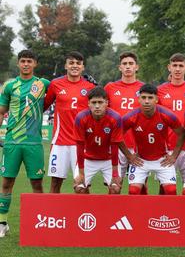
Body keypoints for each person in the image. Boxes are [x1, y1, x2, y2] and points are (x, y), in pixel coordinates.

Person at [0, 50, 50, 237]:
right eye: (23, 61)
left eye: (29, 61)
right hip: (12, 142)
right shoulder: (9, 86)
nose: (26, 64)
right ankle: (2, 223)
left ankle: (41, 222)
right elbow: (1, 111)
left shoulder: (43, 84)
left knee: (36, 183)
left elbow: (57, 97)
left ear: (35, 63)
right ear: (18, 63)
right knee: (6, 182)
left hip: (34, 143)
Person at [44, 51, 95, 193]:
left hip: (81, 143)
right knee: (55, 183)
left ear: (83, 67)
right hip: (59, 142)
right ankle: (53, 215)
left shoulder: (90, 87)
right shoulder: (55, 84)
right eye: (71, 63)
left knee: (82, 185)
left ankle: (83, 215)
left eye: (78, 63)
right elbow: (43, 106)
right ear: (65, 66)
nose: (75, 66)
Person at [121, 84, 185, 195]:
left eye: (150, 98)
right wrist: (129, 156)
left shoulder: (167, 115)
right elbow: (117, 136)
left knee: (171, 190)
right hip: (140, 159)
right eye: (143, 98)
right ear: (139, 99)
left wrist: (174, 155)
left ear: (156, 99)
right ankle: (141, 211)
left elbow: (182, 134)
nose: (146, 101)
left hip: (162, 159)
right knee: (133, 191)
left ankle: (166, 212)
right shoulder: (130, 117)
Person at [73, 86, 123, 194]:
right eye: (94, 102)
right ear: (88, 103)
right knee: (79, 189)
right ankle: (87, 210)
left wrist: (115, 174)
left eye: (100, 102)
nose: (97, 106)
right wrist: (81, 173)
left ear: (107, 103)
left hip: (109, 159)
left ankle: (110, 211)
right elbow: (80, 146)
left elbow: (115, 147)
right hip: (88, 159)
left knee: (115, 189)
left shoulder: (115, 118)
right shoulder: (80, 118)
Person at [104, 52, 144, 183]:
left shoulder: (144, 88)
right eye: (124, 64)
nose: (128, 67)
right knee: (114, 185)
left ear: (136, 67)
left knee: (140, 186)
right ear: (119, 67)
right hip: (116, 143)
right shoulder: (110, 87)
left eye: (131, 64)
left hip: (138, 144)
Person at [157, 53, 185, 182]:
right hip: (166, 147)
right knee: (165, 187)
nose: (177, 69)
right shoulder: (160, 90)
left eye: (180, 66)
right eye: (174, 65)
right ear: (169, 67)